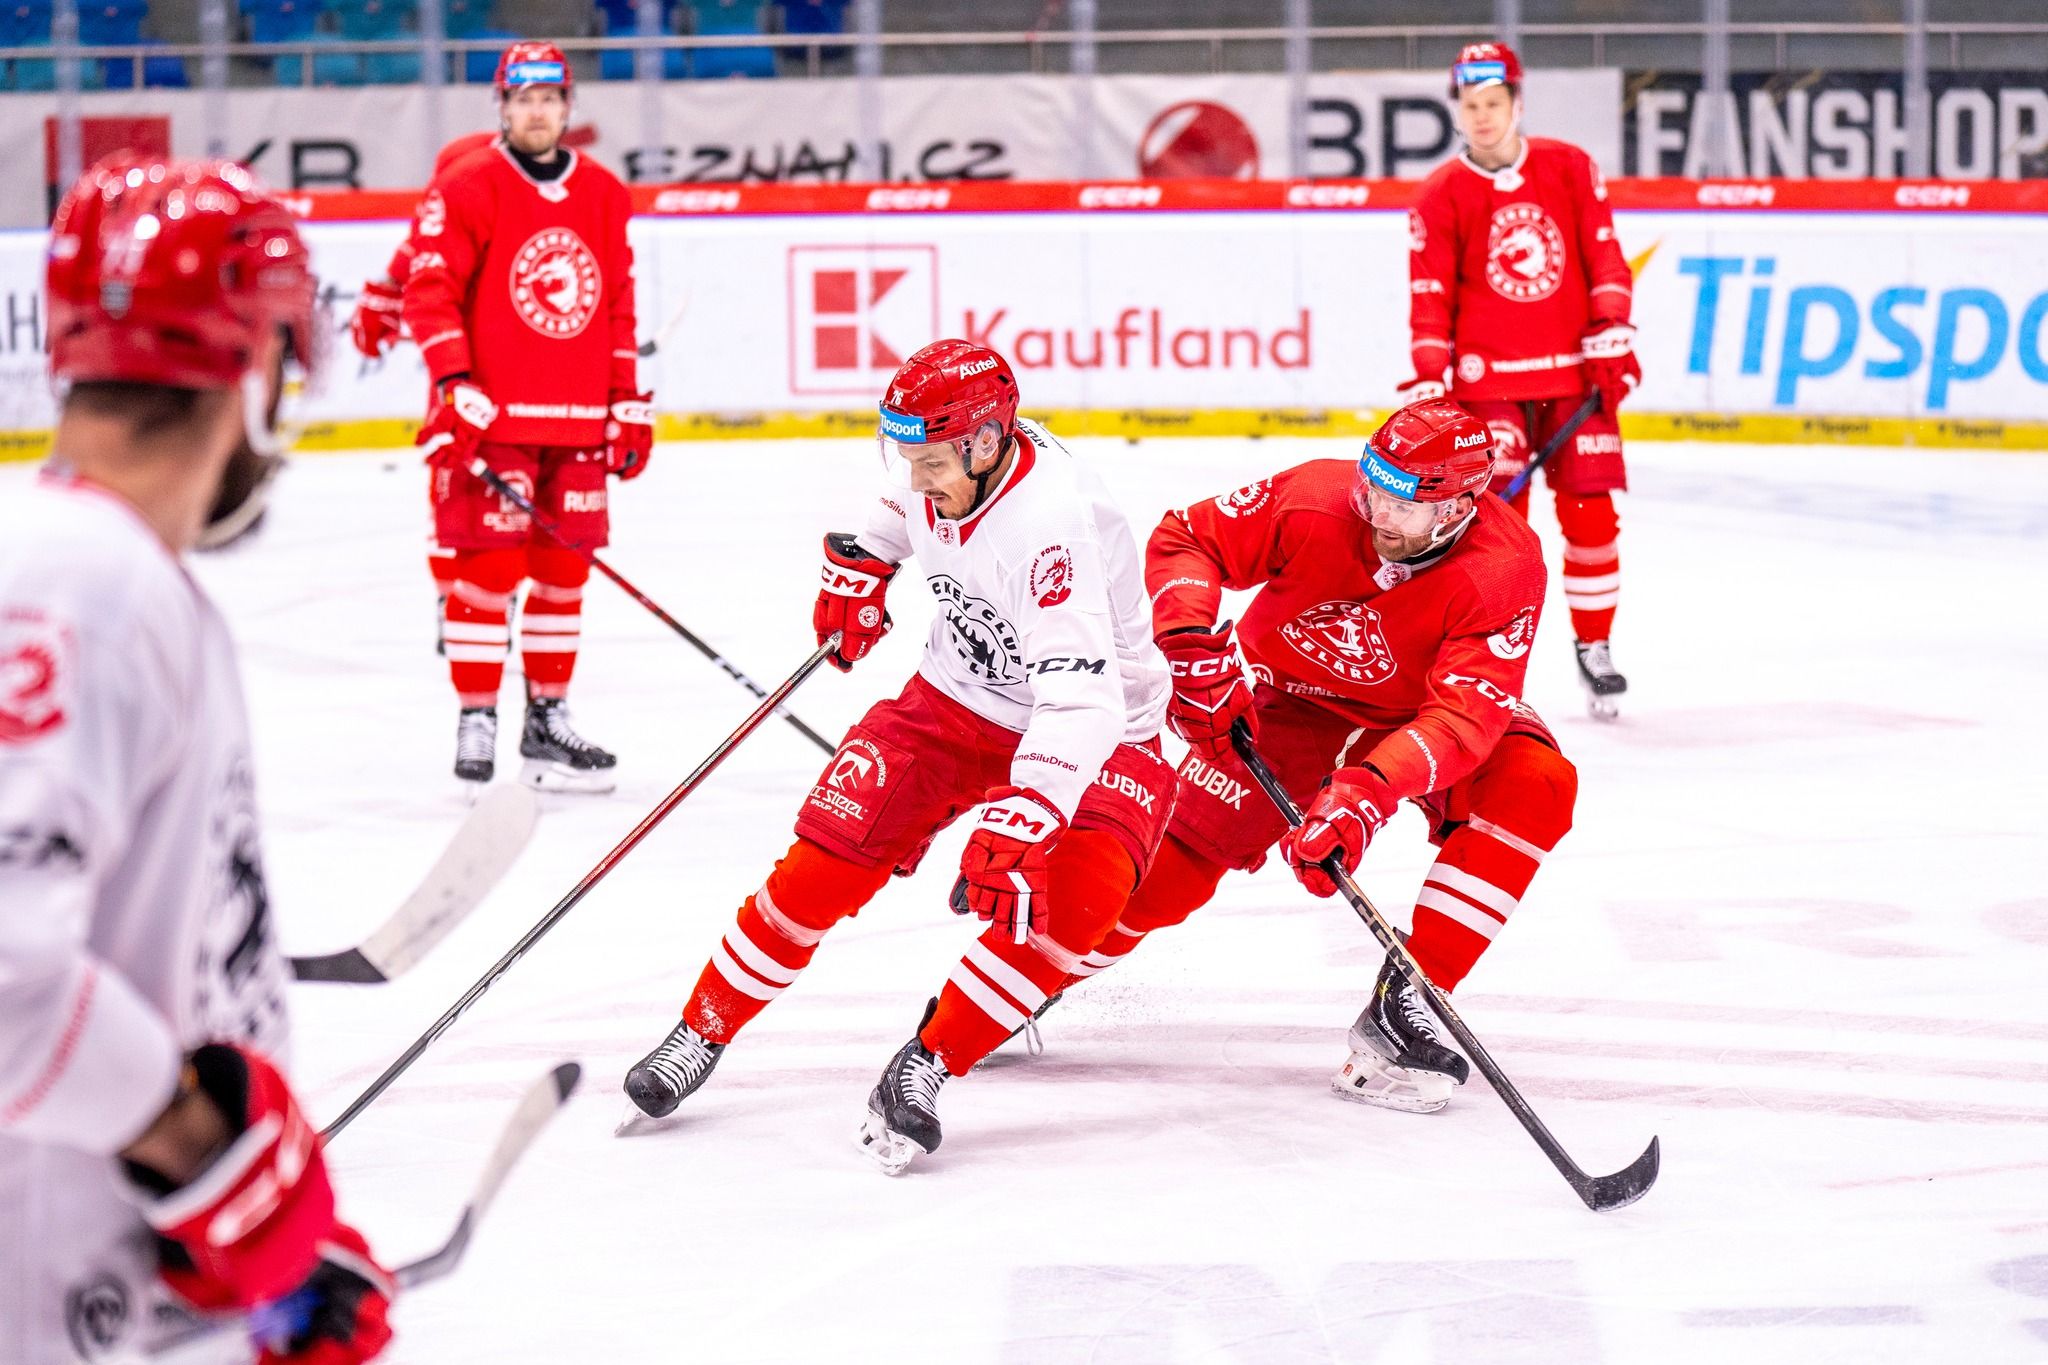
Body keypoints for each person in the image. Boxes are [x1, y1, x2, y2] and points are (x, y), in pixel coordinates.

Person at [1, 157, 392, 1364]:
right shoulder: (81, 584)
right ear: (265, 366)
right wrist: (212, 1158)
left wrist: (253, 1259)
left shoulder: (101, 572)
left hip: (125, 1280)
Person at [620, 340, 1176, 1174]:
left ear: (987, 445)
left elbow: (1082, 695)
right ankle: (701, 1028)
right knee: (821, 863)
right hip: (953, 700)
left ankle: (929, 1060)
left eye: (931, 462)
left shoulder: (1048, 525)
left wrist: (1032, 806)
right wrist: (863, 562)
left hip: (1100, 732)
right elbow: (895, 507)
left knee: (1074, 906)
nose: (916, 480)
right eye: (904, 456)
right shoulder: (944, 462)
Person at [1058, 398, 1577, 1115]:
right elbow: (1189, 538)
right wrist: (1186, 640)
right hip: (1289, 699)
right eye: (1375, 489)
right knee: (1163, 879)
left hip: (1416, 714)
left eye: (1404, 503)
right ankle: (1034, 966)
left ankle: (1411, 997)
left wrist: (1367, 792)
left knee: (1537, 784)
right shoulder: (1315, 499)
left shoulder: (1504, 568)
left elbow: (1464, 716)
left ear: (1459, 506)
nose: (1379, 514)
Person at [401, 40, 654, 790]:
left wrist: (627, 401)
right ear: (502, 107)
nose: (537, 111)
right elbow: (430, 289)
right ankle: (476, 715)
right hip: (496, 416)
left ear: (567, 107)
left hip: (576, 418)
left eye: (549, 99)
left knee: (562, 572)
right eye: (523, 99)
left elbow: (614, 301)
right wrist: (454, 380)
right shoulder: (471, 184)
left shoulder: (605, 193)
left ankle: (547, 721)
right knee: (487, 570)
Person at [1406, 41, 1639, 719]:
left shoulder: (1569, 168)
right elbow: (1428, 294)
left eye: (1493, 104)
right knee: (1503, 532)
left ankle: (1595, 648)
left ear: (1516, 102)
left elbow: (1604, 254)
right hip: (1489, 385)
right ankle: (1494, 666)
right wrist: (1429, 375)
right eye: (1470, 106)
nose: (1481, 117)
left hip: (1577, 376)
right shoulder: (1441, 194)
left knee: (1593, 518)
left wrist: (1611, 322)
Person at [345, 128, 500, 651]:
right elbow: (393, 286)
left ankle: (472, 601)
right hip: (460, 378)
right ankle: (457, 603)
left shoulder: (506, 213)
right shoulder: (440, 225)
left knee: (490, 498)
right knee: (456, 493)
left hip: (502, 378)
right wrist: (379, 308)